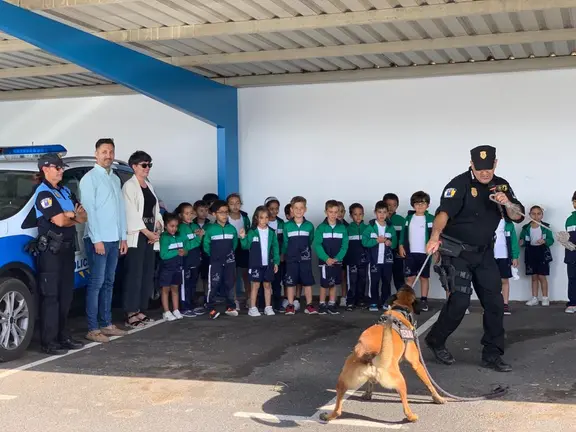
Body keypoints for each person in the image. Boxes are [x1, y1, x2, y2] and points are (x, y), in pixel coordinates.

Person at [424, 145, 524, 373]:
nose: (484, 173)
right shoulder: (458, 184)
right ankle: (436, 340)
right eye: (480, 169)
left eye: (488, 168)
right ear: (471, 165)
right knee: (460, 301)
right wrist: (434, 237)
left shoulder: (502, 185)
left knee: (495, 304)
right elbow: (443, 214)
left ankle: (492, 354)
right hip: (457, 252)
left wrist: (506, 202)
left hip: (484, 252)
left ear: (495, 164)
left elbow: (517, 215)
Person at [32, 153, 87, 354]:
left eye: (61, 167)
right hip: (51, 252)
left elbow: (84, 215)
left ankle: (63, 336)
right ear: (45, 169)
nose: (61, 170)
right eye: (57, 167)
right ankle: (49, 341)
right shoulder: (43, 193)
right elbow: (60, 221)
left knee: (66, 296)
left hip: (67, 249)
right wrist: (73, 216)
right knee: (51, 297)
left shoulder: (64, 191)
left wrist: (71, 216)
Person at [79, 138, 128, 343]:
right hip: (97, 240)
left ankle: (106, 323)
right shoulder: (89, 179)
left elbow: (120, 211)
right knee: (96, 284)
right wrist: (96, 239)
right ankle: (92, 328)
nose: (108, 156)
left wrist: (123, 237)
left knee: (109, 282)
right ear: (96, 154)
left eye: (111, 152)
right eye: (104, 152)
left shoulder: (115, 178)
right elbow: (89, 212)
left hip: (114, 239)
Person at [122, 151, 164, 328]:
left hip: (150, 235)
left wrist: (158, 229)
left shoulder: (149, 186)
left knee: (147, 273)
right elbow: (130, 213)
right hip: (137, 235)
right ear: (134, 166)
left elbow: (156, 210)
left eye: (149, 165)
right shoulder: (129, 186)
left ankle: (140, 309)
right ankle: (130, 312)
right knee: (134, 274)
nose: (147, 168)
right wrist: (146, 232)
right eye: (144, 165)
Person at [239, 206, 280, 317]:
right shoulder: (252, 232)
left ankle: (268, 307)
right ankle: (252, 308)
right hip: (255, 264)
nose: (264, 220)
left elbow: (275, 247)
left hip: (268, 264)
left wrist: (276, 262)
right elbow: (245, 246)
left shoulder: (271, 232)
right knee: (255, 286)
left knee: (267, 285)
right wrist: (243, 237)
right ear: (256, 218)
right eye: (261, 217)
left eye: (267, 217)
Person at [398, 191, 434, 312]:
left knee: (424, 277)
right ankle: (407, 301)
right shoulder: (408, 219)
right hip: (410, 253)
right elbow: (403, 234)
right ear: (413, 205)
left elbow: (436, 235)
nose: (420, 206)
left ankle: (424, 300)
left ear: (427, 205)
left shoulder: (431, 219)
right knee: (410, 278)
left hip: (425, 253)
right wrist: (401, 246)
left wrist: (436, 251)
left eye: (423, 203)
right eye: (417, 203)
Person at [203, 200, 239, 319]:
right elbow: (206, 246)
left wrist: (229, 255)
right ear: (214, 214)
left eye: (226, 212)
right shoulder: (210, 229)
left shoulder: (232, 229)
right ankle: (210, 308)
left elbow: (234, 244)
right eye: (221, 212)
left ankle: (230, 306)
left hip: (229, 262)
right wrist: (214, 257)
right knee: (213, 284)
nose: (224, 215)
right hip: (215, 262)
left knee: (230, 283)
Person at [313, 200, 349, 315]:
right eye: (331, 212)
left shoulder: (342, 228)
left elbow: (345, 245)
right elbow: (317, 245)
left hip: (337, 261)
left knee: (333, 283)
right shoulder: (321, 228)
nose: (333, 214)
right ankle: (322, 303)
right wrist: (326, 258)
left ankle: (332, 303)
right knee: (324, 284)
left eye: (336, 212)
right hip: (325, 262)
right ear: (326, 212)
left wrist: (338, 258)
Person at [283, 196, 317, 315]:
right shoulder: (287, 226)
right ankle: (290, 305)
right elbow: (285, 242)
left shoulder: (309, 226)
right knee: (291, 282)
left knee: (307, 282)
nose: (298, 210)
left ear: (305, 209)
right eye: (296, 208)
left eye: (301, 208)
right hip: (291, 259)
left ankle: (309, 305)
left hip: (305, 259)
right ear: (291, 209)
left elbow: (310, 240)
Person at [362, 201, 397, 312]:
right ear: (375, 213)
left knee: (386, 281)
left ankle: (385, 302)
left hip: (387, 261)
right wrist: (376, 241)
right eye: (379, 212)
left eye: (384, 212)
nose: (382, 215)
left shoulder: (390, 228)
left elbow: (395, 242)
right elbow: (364, 242)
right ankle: (373, 302)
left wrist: (390, 243)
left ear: (387, 213)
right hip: (374, 261)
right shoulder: (370, 227)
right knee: (374, 281)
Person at [520, 206, 554, 307]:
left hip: (542, 253)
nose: (536, 216)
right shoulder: (526, 228)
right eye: (533, 214)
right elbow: (522, 239)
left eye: (538, 213)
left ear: (542, 215)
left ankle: (545, 298)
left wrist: (545, 241)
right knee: (534, 276)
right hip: (531, 253)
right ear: (530, 214)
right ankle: (534, 298)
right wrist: (521, 242)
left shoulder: (545, 227)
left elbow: (551, 240)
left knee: (542, 276)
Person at [175, 202, 204, 317]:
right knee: (184, 284)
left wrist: (200, 235)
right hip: (185, 261)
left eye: (191, 213)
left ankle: (191, 304)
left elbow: (198, 241)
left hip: (195, 260)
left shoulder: (195, 226)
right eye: (186, 213)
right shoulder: (181, 228)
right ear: (181, 215)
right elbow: (186, 245)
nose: (190, 215)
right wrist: (198, 238)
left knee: (193, 283)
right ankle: (184, 307)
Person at [158, 213, 187, 321]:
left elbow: (185, 249)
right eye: (171, 226)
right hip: (167, 268)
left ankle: (176, 309)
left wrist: (184, 252)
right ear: (165, 226)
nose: (174, 229)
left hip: (177, 267)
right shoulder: (164, 238)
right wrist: (177, 252)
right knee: (165, 289)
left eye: (176, 226)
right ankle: (166, 311)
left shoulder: (180, 236)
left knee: (175, 288)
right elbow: (163, 255)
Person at [227, 193, 251, 310]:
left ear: (241, 204)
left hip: (243, 247)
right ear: (227, 205)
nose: (235, 206)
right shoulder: (226, 217)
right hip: (231, 248)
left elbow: (249, 231)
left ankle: (249, 298)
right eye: (231, 204)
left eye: (237, 203)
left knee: (246, 275)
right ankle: (234, 300)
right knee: (233, 275)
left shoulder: (245, 217)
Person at [493, 217, 519, 315]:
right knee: (490, 282)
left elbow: (514, 241)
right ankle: (492, 305)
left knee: (504, 280)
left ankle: (504, 304)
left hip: (504, 256)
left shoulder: (509, 224)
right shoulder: (487, 221)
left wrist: (515, 256)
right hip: (490, 257)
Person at [345, 203, 368, 311]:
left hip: (364, 260)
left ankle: (361, 300)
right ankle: (350, 301)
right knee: (352, 281)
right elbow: (344, 245)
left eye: (360, 214)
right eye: (355, 214)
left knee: (362, 280)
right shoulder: (348, 229)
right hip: (351, 260)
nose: (358, 217)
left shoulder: (368, 228)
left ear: (363, 215)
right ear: (351, 216)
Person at [265, 196, 286, 313]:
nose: (274, 211)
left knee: (277, 282)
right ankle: (263, 305)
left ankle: (277, 304)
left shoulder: (281, 223)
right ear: (266, 208)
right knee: (265, 281)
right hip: (266, 257)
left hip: (278, 258)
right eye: (271, 209)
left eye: (276, 209)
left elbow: (284, 241)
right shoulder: (263, 222)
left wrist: (282, 254)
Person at [384, 193, 406, 293]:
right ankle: (386, 299)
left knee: (399, 277)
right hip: (383, 254)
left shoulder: (401, 220)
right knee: (385, 278)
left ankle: (401, 300)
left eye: (394, 205)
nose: (391, 207)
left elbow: (404, 237)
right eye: (388, 204)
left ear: (397, 206)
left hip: (397, 254)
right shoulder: (379, 220)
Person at [193, 199, 211, 309]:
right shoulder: (191, 224)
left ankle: (206, 297)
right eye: (201, 210)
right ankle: (192, 298)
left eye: (206, 210)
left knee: (205, 277)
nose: (204, 213)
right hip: (194, 253)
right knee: (193, 277)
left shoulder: (210, 224)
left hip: (206, 254)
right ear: (195, 212)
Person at [564, 192, 576, 314]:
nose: (575, 204)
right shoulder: (569, 219)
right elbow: (568, 239)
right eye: (574, 201)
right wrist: (565, 242)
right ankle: (572, 303)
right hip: (572, 255)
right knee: (572, 278)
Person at [336, 200, 349, 307]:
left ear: (344, 212)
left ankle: (343, 297)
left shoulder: (347, 226)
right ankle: (333, 298)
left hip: (344, 256)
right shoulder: (326, 225)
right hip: (331, 256)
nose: (339, 214)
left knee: (343, 277)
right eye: (337, 211)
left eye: (341, 211)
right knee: (333, 278)